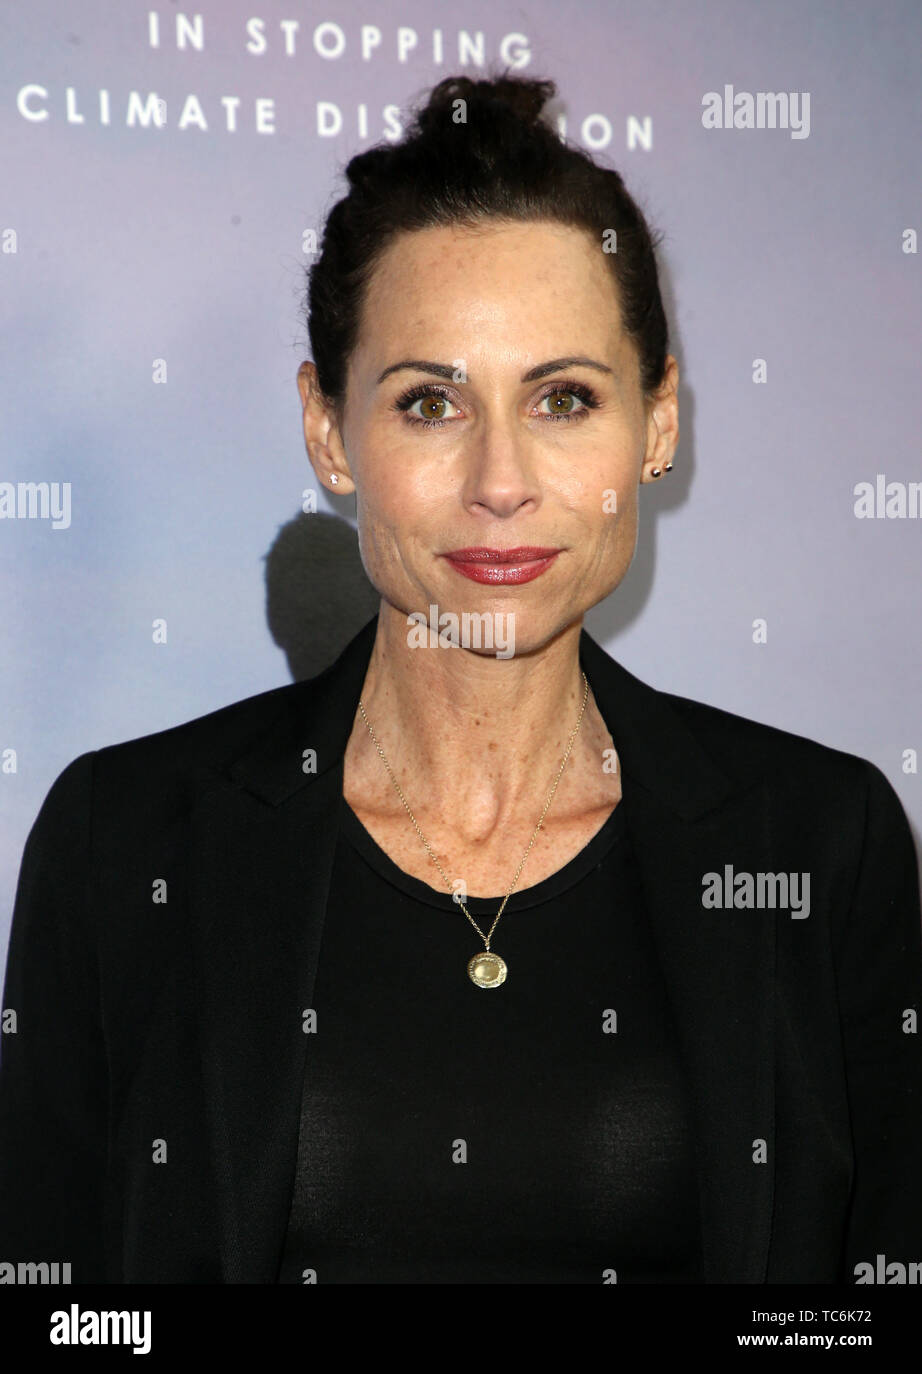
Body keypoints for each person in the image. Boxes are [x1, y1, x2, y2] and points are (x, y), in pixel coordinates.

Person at [1, 70, 920, 1286]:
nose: (500, 479)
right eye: (429, 402)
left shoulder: (819, 842)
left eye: (563, 398)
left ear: (656, 426)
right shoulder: (124, 839)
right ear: (330, 432)